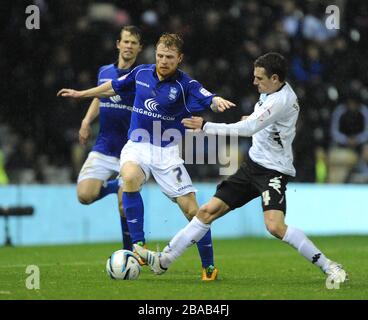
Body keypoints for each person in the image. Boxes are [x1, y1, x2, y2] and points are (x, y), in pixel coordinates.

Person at [133, 52, 348, 285]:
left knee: (275, 226)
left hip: (273, 171)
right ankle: (163, 260)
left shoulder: (280, 100)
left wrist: (206, 125)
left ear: (275, 78)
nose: (254, 82)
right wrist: (255, 119)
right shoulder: (271, 93)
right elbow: (261, 121)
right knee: (206, 212)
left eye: (259, 78)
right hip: (252, 166)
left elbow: (247, 129)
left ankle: (330, 267)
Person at [57, 33, 235, 280]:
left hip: (168, 154)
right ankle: (139, 246)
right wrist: (82, 94)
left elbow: (209, 98)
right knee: (128, 177)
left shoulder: (186, 86)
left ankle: (209, 267)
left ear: (179, 59)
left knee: (194, 212)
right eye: (160, 55)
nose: (163, 61)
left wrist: (217, 102)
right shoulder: (141, 73)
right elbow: (113, 87)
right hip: (137, 146)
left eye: (169, 57)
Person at [71, 25, 142, 251]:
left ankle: (129, 252)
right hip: (104, 145)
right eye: (126, 41)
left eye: (133, 42)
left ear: (139, 48)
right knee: (84, 196)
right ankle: (114, 186)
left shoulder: (140, 78)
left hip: (129, 151)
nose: (129, 46)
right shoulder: (104, 72)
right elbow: (100, 96)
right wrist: (85, 121)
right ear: (118, 44)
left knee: (124, 205)